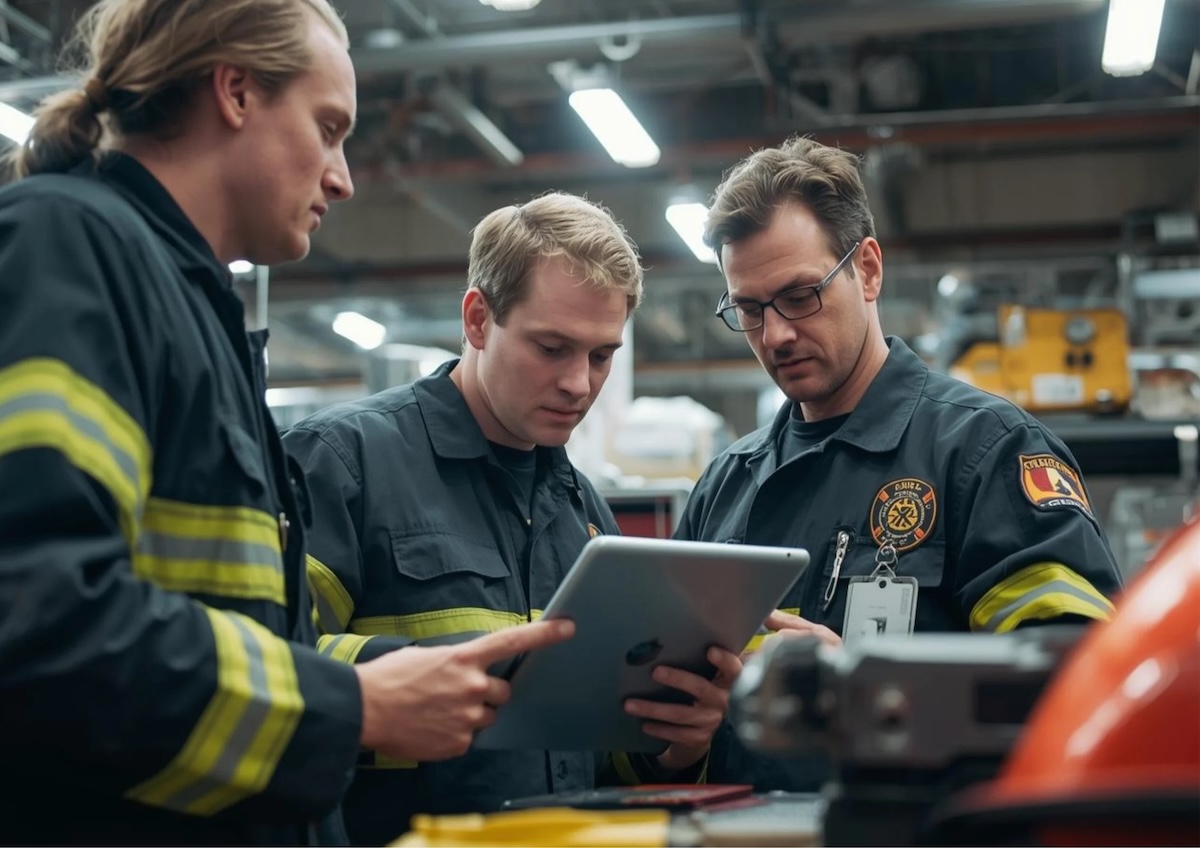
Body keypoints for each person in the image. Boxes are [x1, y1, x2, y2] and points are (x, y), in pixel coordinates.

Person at [0, 1, 571, 844]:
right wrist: (352, 703)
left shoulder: (193, 308)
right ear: (234, 91)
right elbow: (38, 618)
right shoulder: (71, 249)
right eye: (330, 127)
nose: (342, 177)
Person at [284, 192, 743, 846]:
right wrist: (413, 676)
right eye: (552, 347)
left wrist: (671, 743)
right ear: (478, 319)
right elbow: (262, 664)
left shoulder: (583, 512)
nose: (580, 384)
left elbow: (598, 753)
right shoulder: (344, 464)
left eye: (600, 355)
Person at [674, 135, 1124, 789]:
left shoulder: (986, 452)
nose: (775, 335)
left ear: (869, 270)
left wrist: (871, 686)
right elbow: (652, 732)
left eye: (800, 296)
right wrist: (672, 747)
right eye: (748, 308)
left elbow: (1078, 678)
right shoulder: (725, 485)